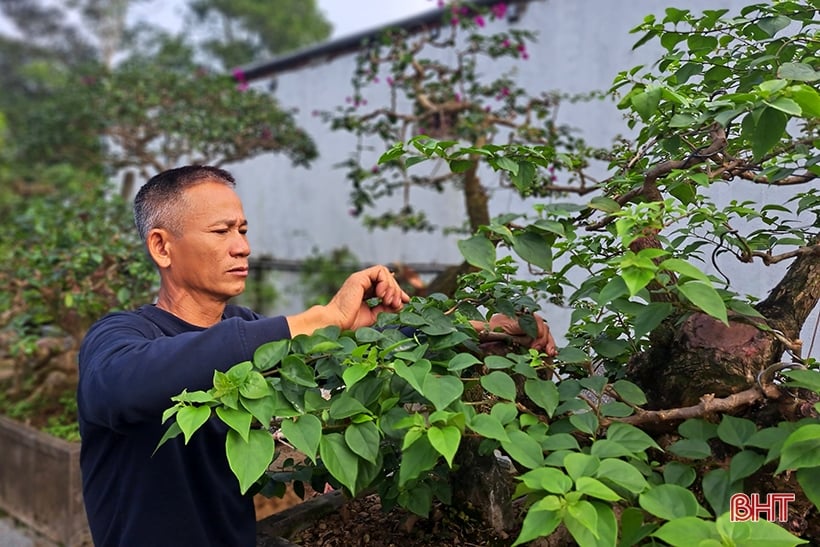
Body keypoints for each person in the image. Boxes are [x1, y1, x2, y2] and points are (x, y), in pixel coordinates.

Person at [77, 164, 555, 546]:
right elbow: (122, 387)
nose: (242, 247)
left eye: (243, 229)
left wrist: (486, 335)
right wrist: (319, 319)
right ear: (162, 246)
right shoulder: (118, 337)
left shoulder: (244, 330)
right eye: (222, 231)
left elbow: (358, 353)